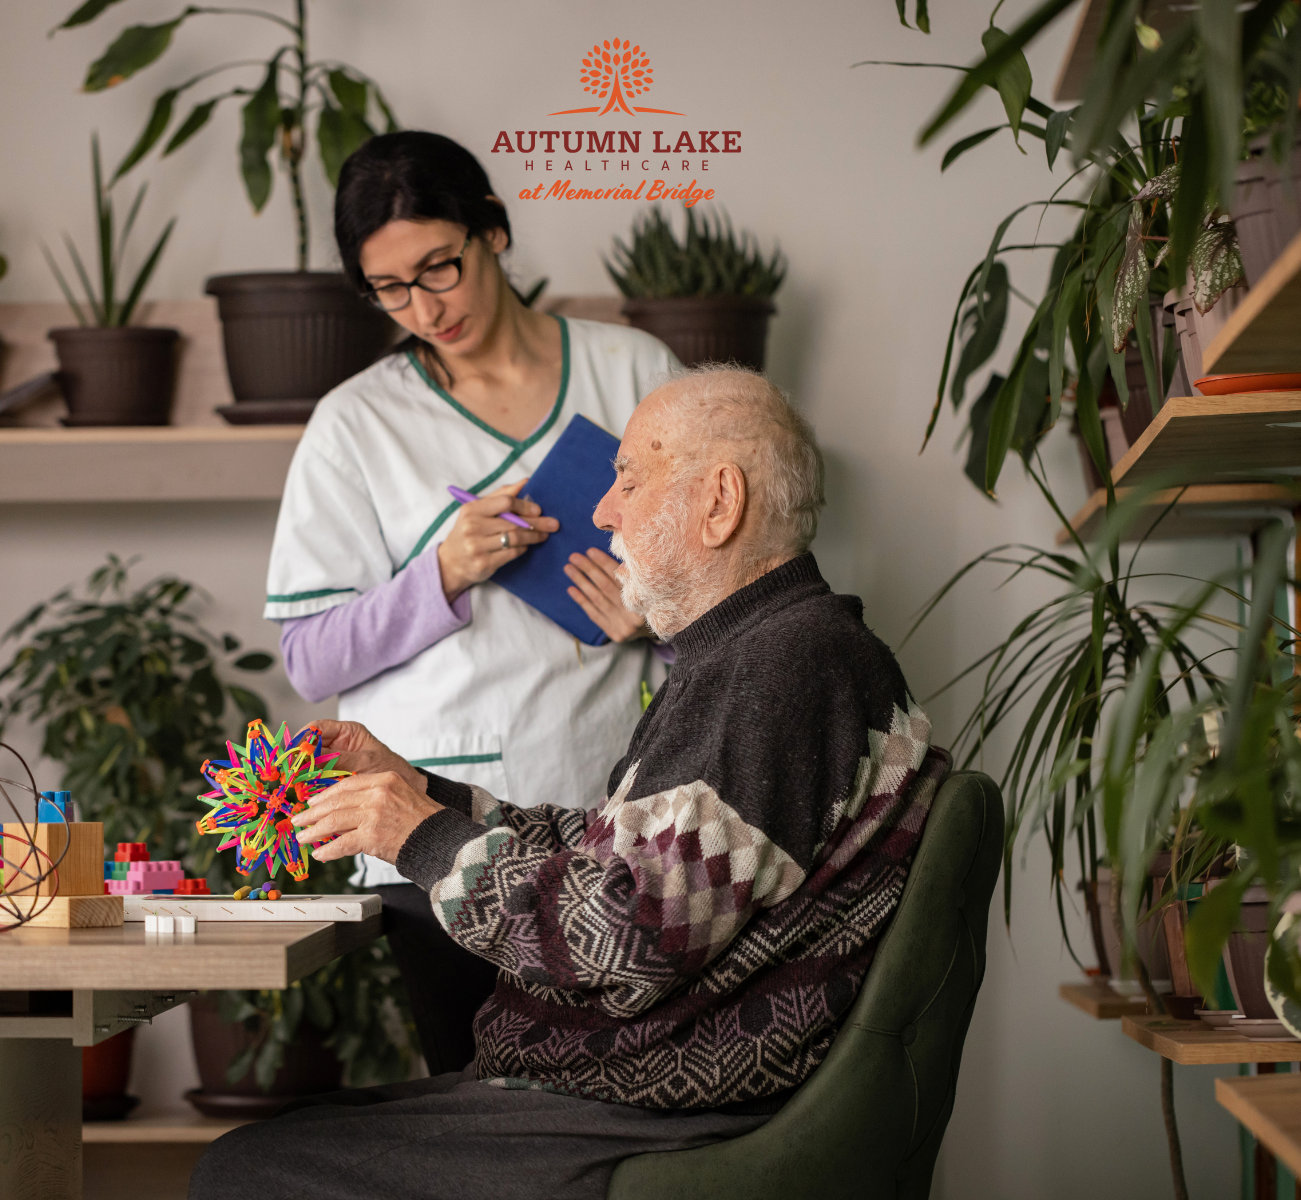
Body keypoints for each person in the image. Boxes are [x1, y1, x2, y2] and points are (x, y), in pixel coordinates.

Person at [191, 367, 948, 1200]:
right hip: (642, 1087)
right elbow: (615, 863)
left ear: (719, 502)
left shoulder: (778, 671)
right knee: (284, 1142)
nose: (603, 510)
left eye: (629, 478)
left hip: (663, 1111)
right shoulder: (768, 653)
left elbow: (621, 940)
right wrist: (417, 791)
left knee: (243, 1170)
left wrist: (416, 837)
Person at [263, 130, 681, 1073]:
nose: (423, 306)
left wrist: (652, 619)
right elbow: (310, 658)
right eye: (391, 290)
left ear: (493, 230)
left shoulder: (637, 374)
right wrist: (440, 574)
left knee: (611, 1102)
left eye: (438, 268)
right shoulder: (355, 424)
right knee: (478, 1106)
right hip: (431, 841)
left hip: (609, 826)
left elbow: (738, 599)